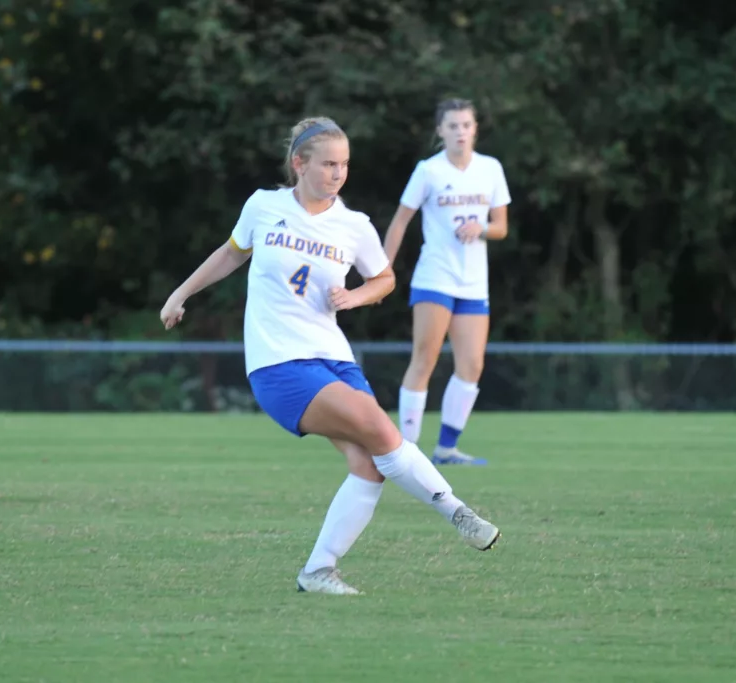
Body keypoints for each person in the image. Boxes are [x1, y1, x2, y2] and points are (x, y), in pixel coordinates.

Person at [159, 116, 500, 596]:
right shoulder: (264, 206)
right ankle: (456, 511)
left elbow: (384, 278)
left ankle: (318, 571)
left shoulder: (354, 225)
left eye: (344, 165)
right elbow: (232, 253)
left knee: (368, 464)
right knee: (382, 430)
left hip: (334, 358)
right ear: (300, 164)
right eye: (328, 164)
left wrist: (355, 297)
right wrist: (181, 293)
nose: (338, 173)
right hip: (279, 362)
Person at [383, 98, 511, 466]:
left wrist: (480, 228)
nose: (460, 132)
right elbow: (400, 221)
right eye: (453, 126)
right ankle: (406, 452)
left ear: (475, 129)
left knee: (471, 365)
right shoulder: (429, 171)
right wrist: (382, 271)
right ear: (440, 130)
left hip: (473, 283)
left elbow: (501, 227)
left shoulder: (490, 168)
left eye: (466, 125)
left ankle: (446, 449)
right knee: (424, 359)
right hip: (435, 277)